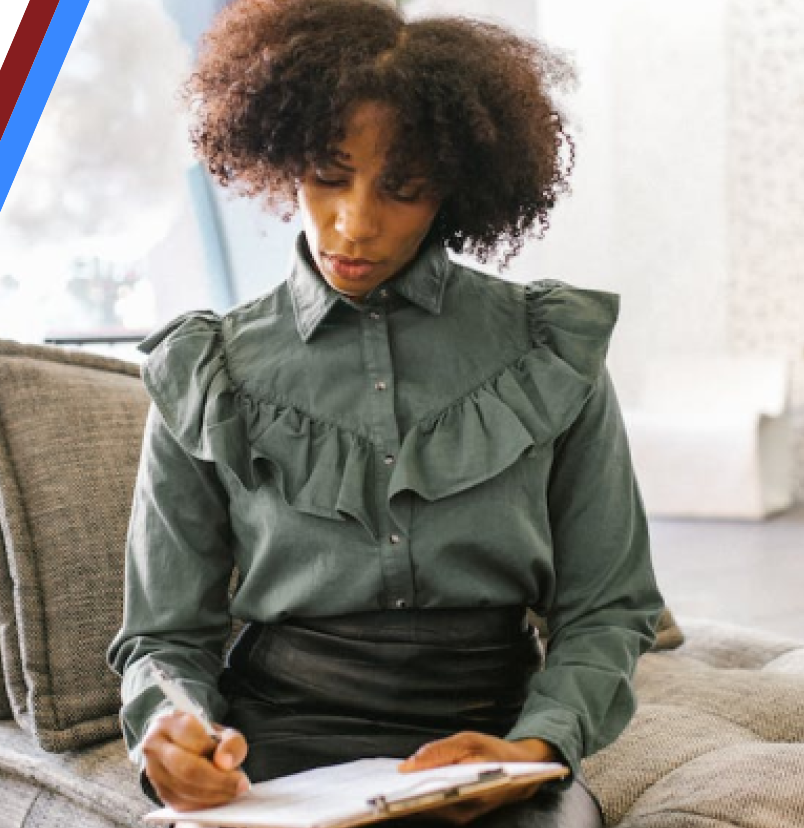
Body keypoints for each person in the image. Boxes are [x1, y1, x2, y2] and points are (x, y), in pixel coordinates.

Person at [107, 0, 665, 824]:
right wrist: (170, 728)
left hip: (492, 738)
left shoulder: (551, 349)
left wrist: (539, 744)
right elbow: (161, 638)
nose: (356, 223)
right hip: (274, 738)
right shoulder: (208, 368)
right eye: (329, 176)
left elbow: (608, 604)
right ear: (283, 154)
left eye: (402, 190)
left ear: (457, 188)